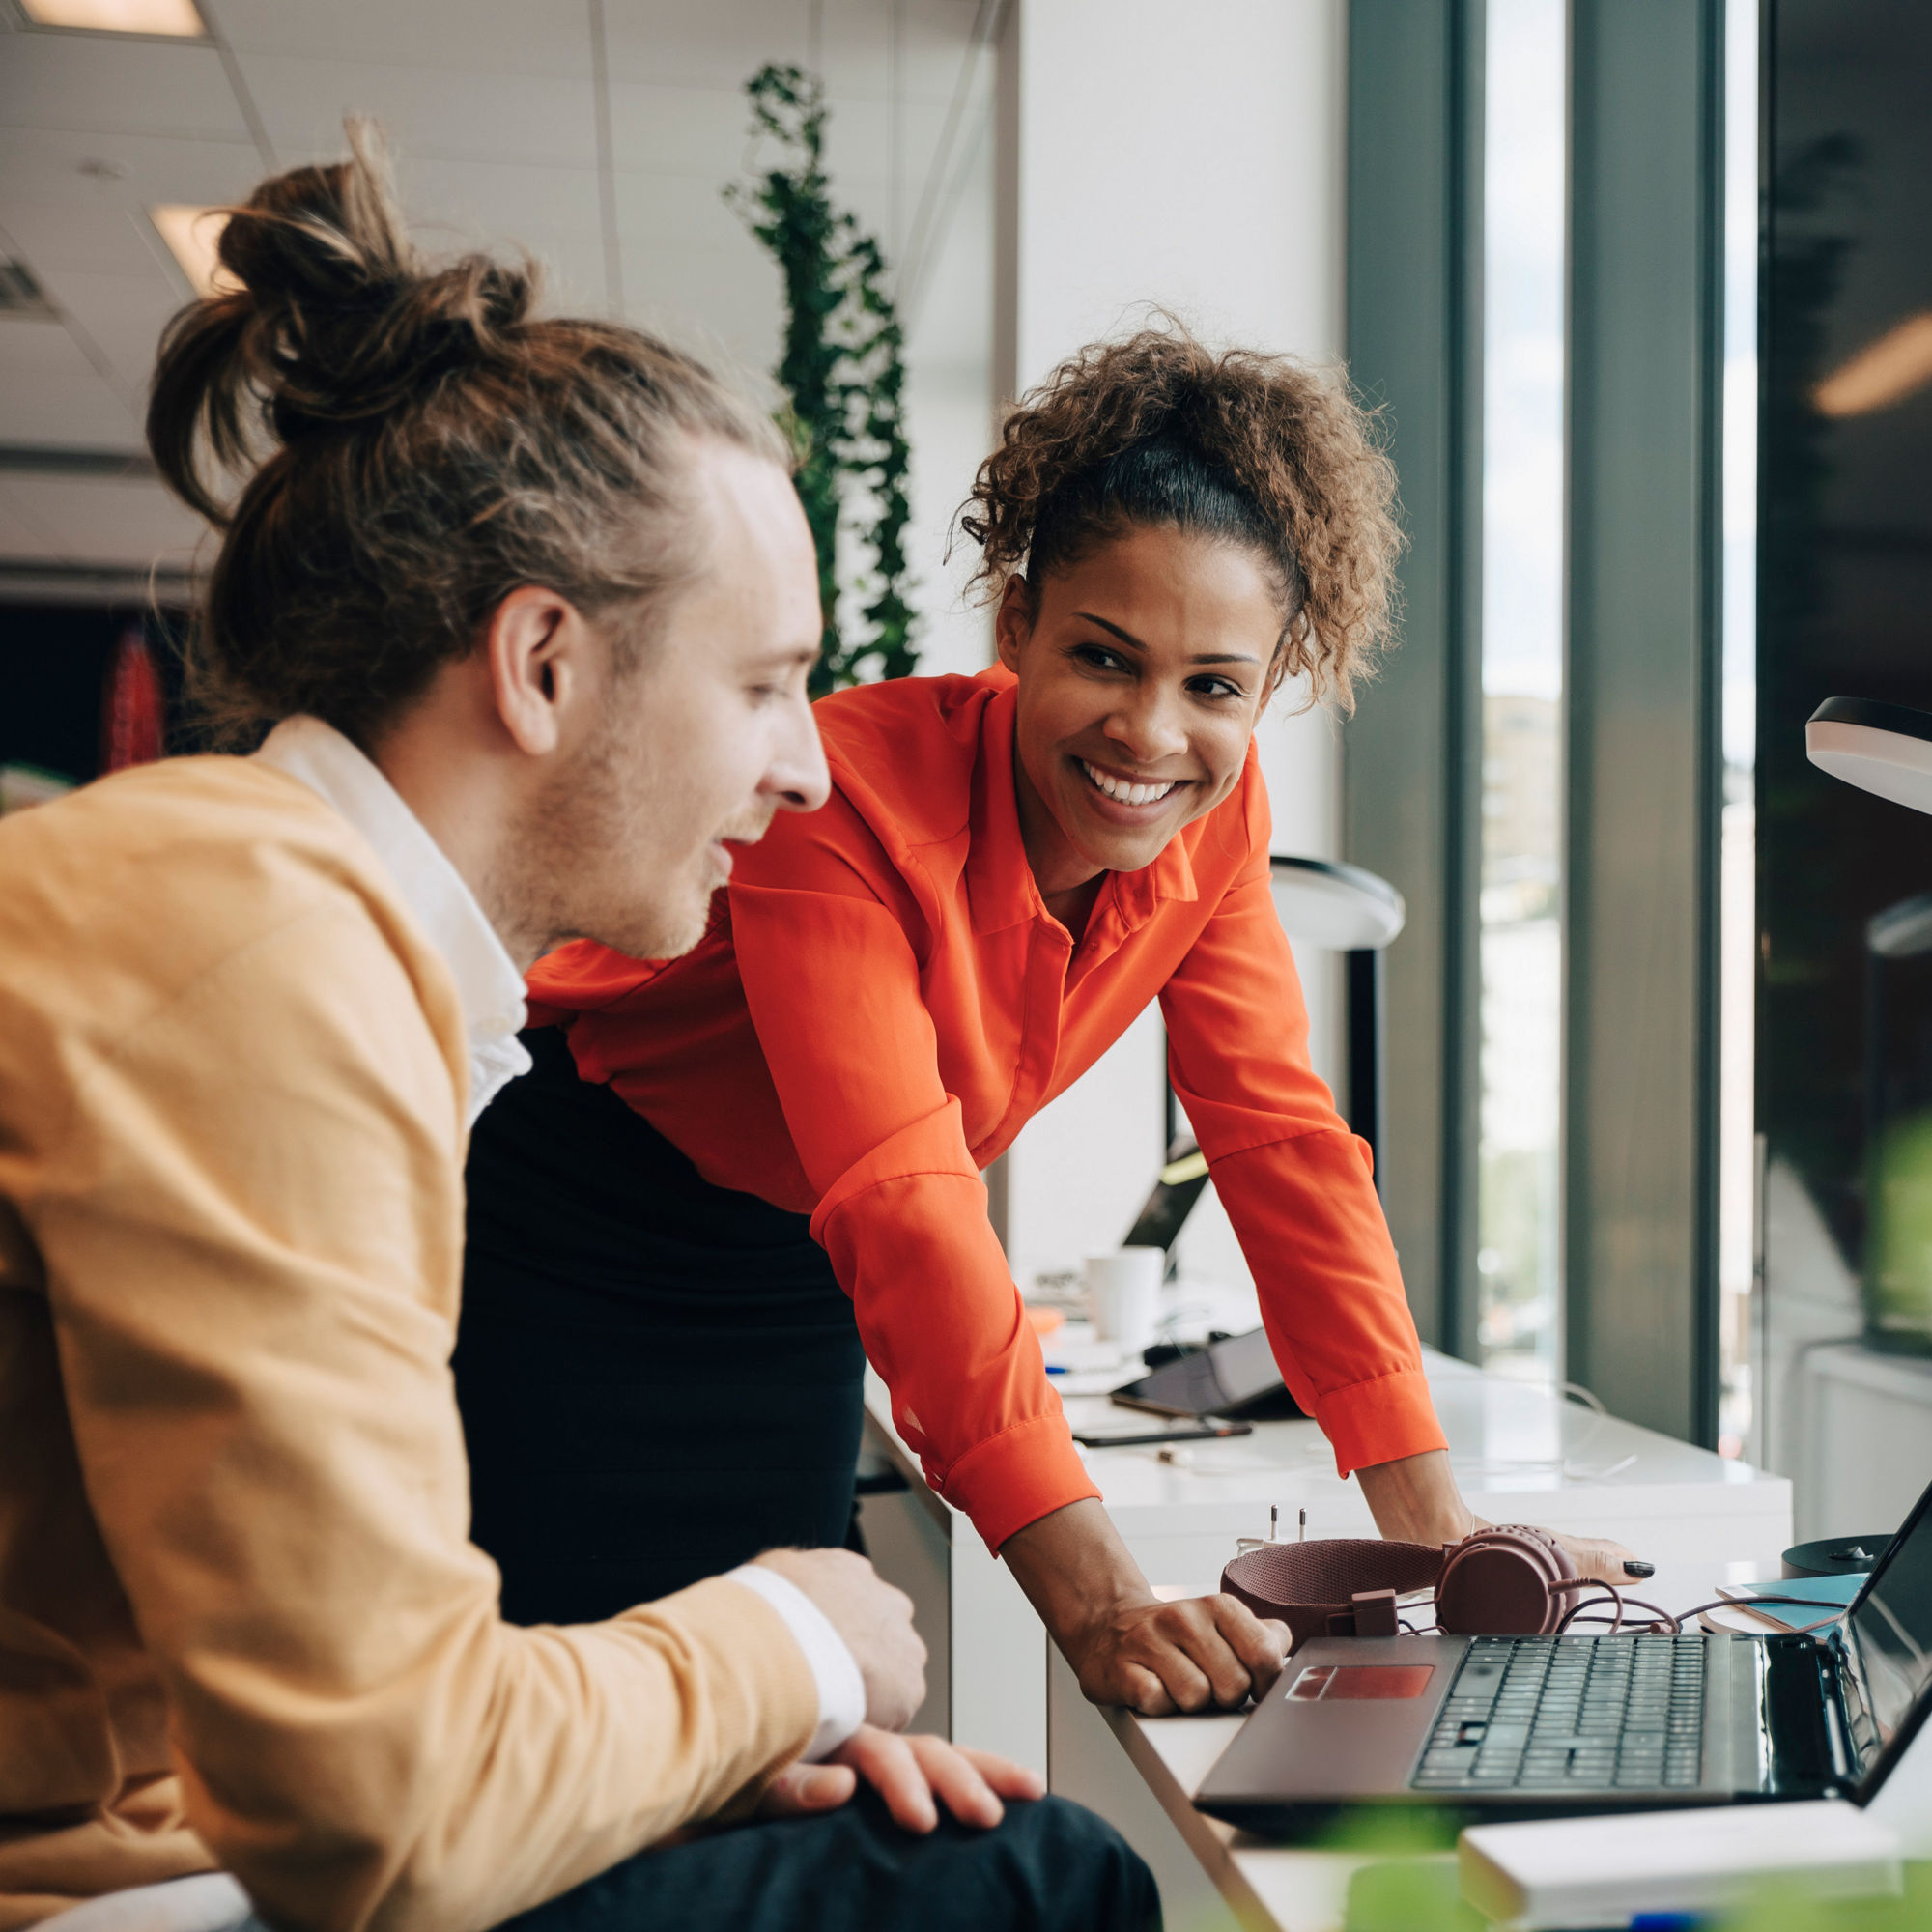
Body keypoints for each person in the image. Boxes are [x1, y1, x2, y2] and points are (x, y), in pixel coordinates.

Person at [0, 133, 1154, 1932]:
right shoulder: (258, 956)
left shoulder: (296, 922)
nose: (799, 764)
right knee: (1037, 1887)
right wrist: (788, 1636)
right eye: (767, 685)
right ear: (544, 666)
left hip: (182, 1842)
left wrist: (690, 1745)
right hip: (112, 1900)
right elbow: (385, 1816)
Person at [456, 327, 1645, 1717]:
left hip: (791, 1263)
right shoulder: (837, 797)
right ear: (1016, 625)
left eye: (1215, 687)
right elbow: (902, 1191)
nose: (1151, 735)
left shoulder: (1220, 819)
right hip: (572, 1216)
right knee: (569, 1703)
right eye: (1104, 657)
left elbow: (1277, 1140)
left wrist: (1439, 1527)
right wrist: (1098, 1596)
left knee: (783, 1718)